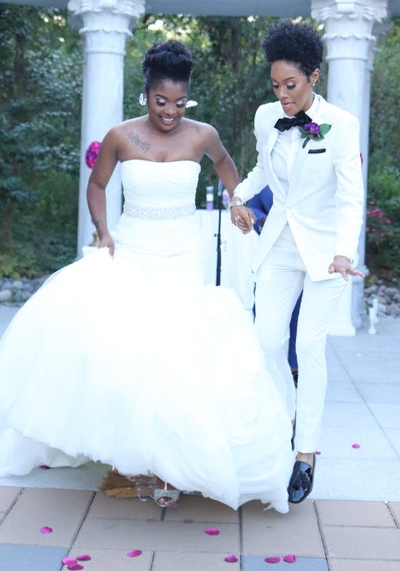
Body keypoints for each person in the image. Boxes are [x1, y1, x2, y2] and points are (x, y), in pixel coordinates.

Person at [0, 40, 294, 513]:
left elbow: (225, 164)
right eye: (161, 102)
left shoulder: (202, 135)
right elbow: (97, 185)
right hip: (133, 250)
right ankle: (132, 455)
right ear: (146, 94)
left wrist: (236, 198)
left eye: (180, 103)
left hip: (181, 255)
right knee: (129, 350)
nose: (171, 112)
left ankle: (168, 460)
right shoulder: (121, 136)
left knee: (175, 352)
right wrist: (103, 232)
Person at [229, 21, 364, 504]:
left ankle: (304, 452)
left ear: (313, 77)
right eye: (275, 86)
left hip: (328, 253)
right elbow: (261, 170)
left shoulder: (341, 125)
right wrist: (238, 198)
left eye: (291, 85)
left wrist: (344, 250)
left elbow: (350, 196)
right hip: (280, 245)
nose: (282, 95)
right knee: (267, 341)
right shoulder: (267, 117)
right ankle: (284, 417)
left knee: (307, 346)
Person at [248, 185, 302, 385]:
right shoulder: (267, 179)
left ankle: (295, 366)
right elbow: (253, 206)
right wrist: (262, 220)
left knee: (299, 315)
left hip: (304, 256)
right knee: (265, 316)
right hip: (273, 255)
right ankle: (267, 367)